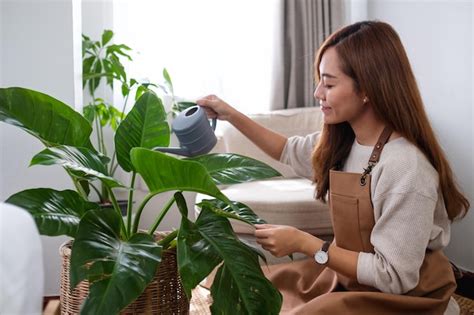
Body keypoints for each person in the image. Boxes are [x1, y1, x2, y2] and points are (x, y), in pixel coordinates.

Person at [196, 20, 469, 314]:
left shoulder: (407, 168)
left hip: (405, 296)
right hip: (350, 278)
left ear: (367, 88)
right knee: (250, 286)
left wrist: (306, 243)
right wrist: (228, 113)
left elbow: (395, 278)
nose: (317, 93)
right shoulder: (346, 142)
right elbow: (286, 150)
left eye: (329, 83)